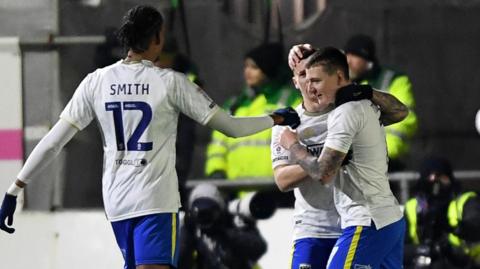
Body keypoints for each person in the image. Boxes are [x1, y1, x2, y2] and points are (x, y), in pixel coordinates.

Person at [0, 5, 300, 269]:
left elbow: (53, 141)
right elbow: (232, 128)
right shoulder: (170, 82)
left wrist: (15, 188)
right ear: (157, 38)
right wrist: (275, 118)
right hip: (154, 202)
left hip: (116, 202)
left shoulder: (96, 81)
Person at [275, 45, 410, 269]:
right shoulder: (365, 104)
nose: (311, 87)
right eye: (304, 78)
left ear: (338, 76)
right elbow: (399, 111)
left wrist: (294, 146)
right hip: (388, 219)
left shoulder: (343, 113)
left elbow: (323, 173)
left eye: (316, 80)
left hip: (365, 219)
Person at [205, 43, 301, 182]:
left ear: (268, 69)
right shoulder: (234, 105)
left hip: (276, 189)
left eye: (254, 67)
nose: (247, 72)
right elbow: (218, 144)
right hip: (235, 189)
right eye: (246, 66)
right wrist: (216, 170)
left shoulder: (290, 101)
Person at [344, 34, 418, 171]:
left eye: (354, 55)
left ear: (367, 59)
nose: (348, 61)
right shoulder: (344, 84)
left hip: (387, 164)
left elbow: (403, 122)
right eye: (346, 55)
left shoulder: (394, 80)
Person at [178, 184, 267, 269]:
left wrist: (225, 233)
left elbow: (258, 248)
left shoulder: (233, 220)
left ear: (220, 209)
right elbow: (180, 262)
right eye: (200, 214)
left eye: (210, 213)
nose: (205, 219)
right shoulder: (190, 227)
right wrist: (187, 232)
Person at [404, 157, 461, 268]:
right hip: (422, 260)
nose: (434, 180)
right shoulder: (413, 206)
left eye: (440, 175)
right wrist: (421, 250)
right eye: (430, 175)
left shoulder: (461, 203)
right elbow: (401, 246)